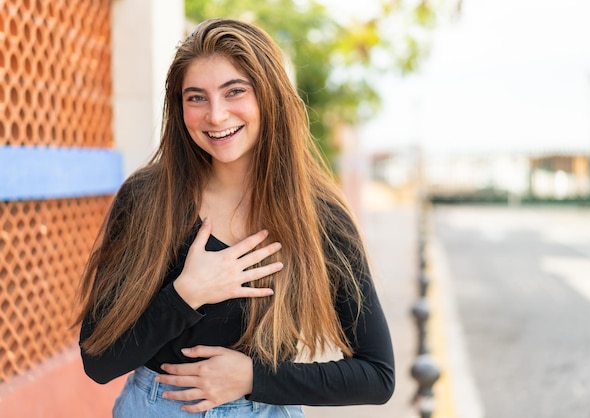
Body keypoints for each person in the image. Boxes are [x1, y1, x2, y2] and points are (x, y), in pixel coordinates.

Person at [75, 18, 394, 417]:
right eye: (196, 97)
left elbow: (377, 376)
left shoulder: (318, 215)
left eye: (235, 91)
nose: (216, 115)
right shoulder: (147, 199)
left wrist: (254, 378)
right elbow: (98, 361)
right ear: (179, 107)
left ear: (269, 96)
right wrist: (186, 294)